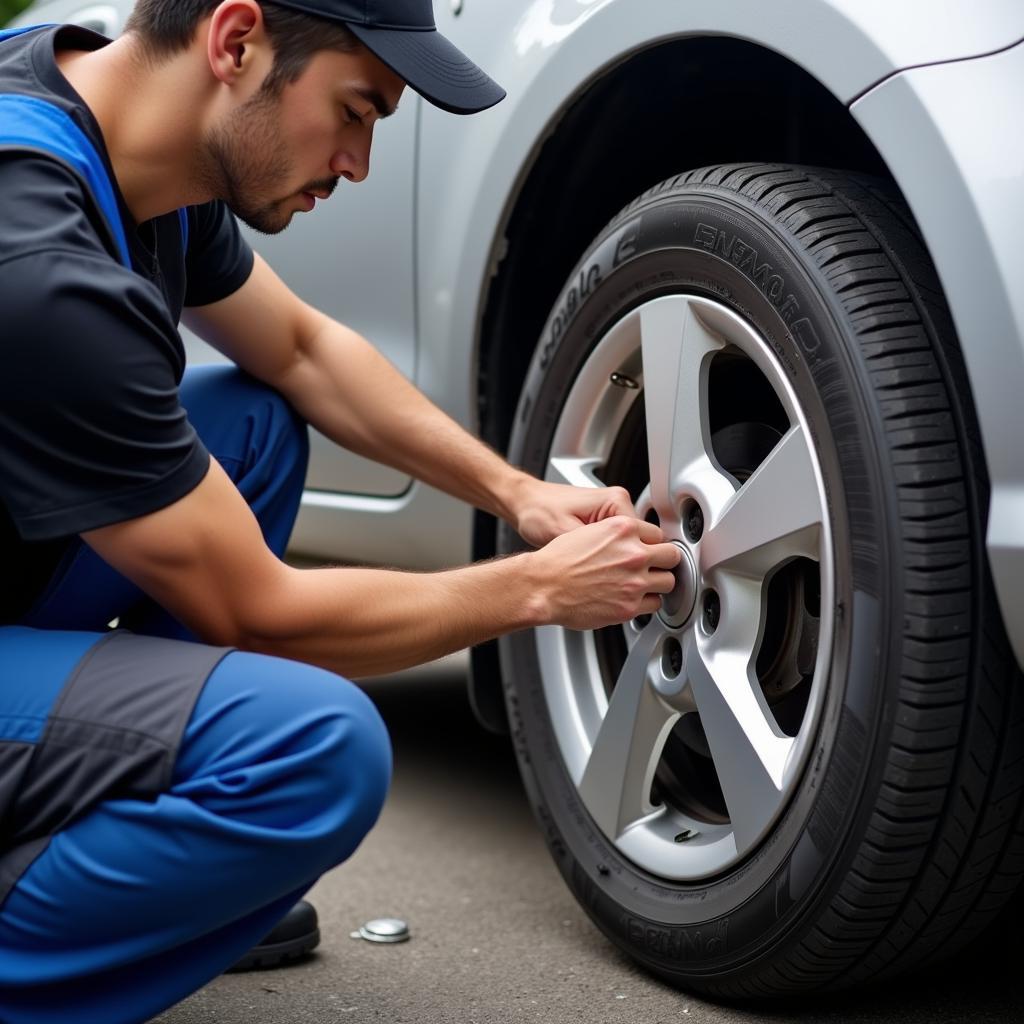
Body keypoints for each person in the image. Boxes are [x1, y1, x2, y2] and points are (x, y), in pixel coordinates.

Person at [0, 0, 680, 1020]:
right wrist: (533, 589)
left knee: (254, 426)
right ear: (236, 43)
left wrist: (520, 494)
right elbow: (259, 614)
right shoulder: (36, 260)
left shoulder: (115, 127)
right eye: (355, 110)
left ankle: (119, 834)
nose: (357, 162)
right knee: (316, 749)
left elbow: (307, 352)